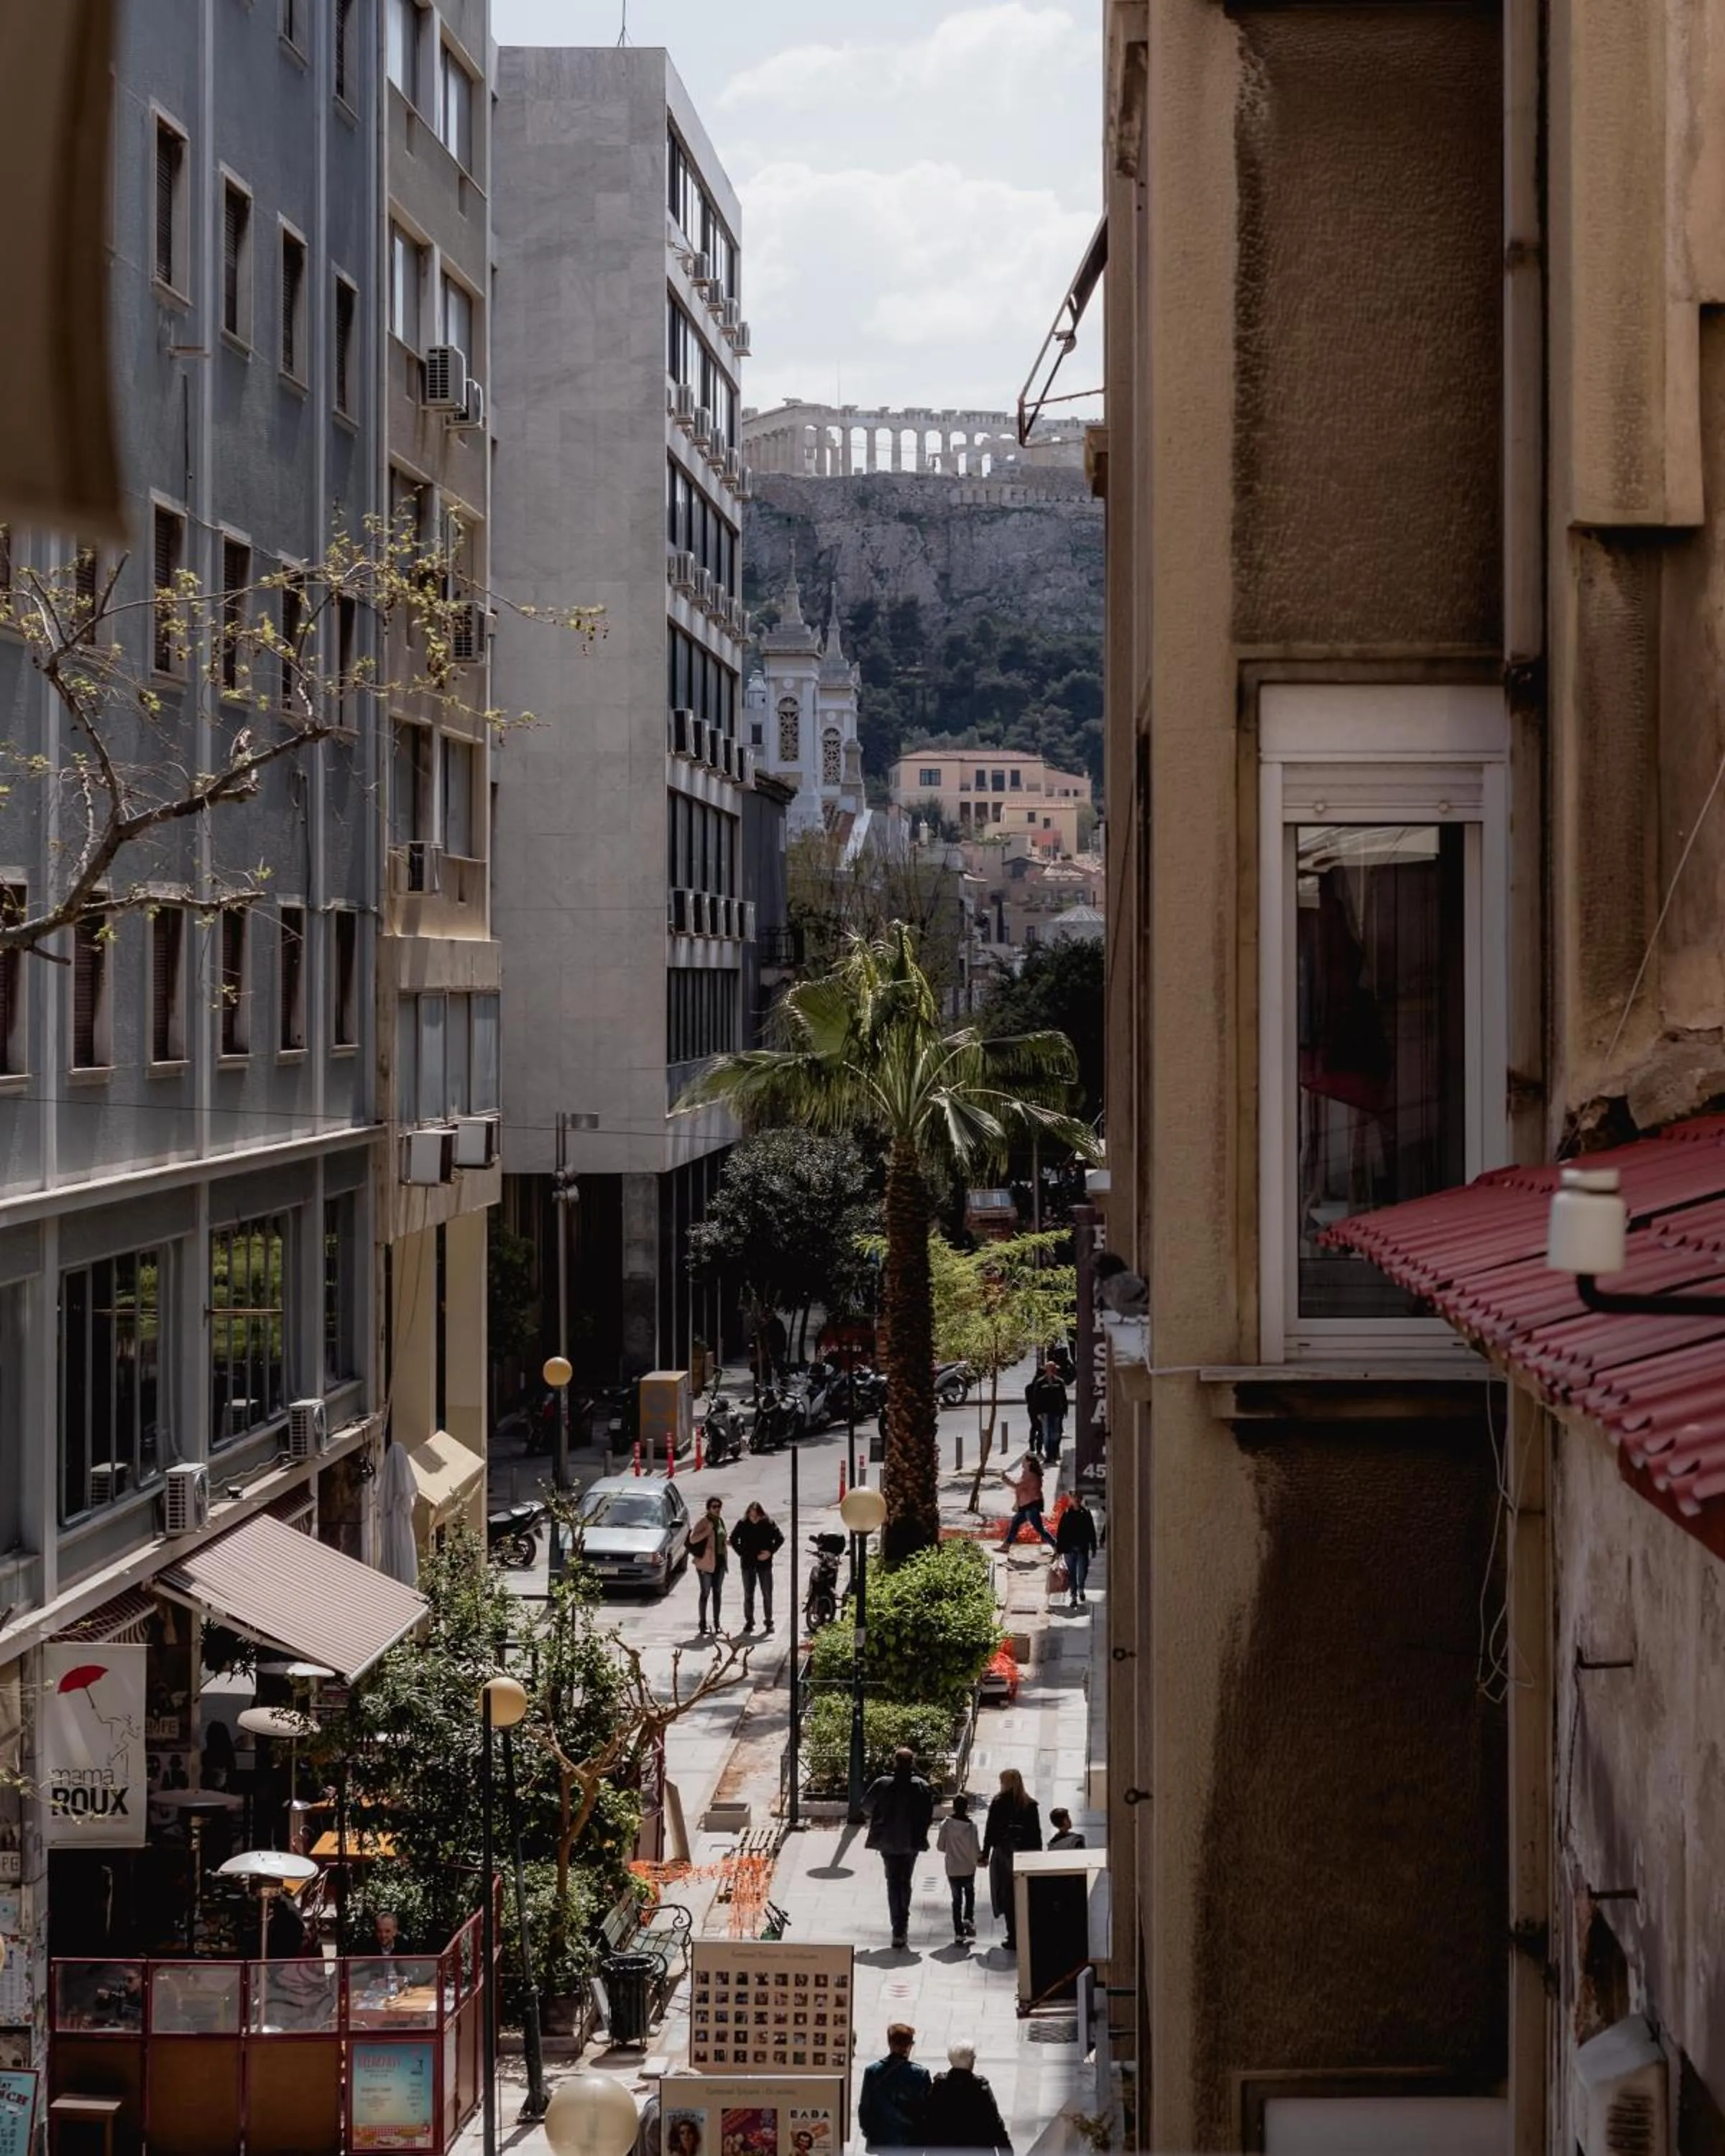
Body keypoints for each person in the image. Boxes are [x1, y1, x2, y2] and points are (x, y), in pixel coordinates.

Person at [862, 1745, 934, 1950]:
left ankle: (898, 1928)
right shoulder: (922, 1786)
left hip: (887, 1841)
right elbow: (928, 1815)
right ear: (912, 1763)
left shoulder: (882, 1784)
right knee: (905, 1880)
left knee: (893, 1883)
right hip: (911, 1842)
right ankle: (903, 1919)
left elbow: (866, 1806)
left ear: (895, 1762)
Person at [980, 1768, 1042, 1951]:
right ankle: (1025, 1933)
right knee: (1023, 1894)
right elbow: (1036, 1833)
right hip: (1025, 1855)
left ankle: (1012, 1935)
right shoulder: (1030, 1805)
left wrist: (985, 1853)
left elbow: (990, 1831)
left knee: (1006, 1895)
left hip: (1003, 1854)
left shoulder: (999, 1802)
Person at [923, 2042, 1013, 2152]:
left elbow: (927, 2120)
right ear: (971, 2061)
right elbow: (995, 2124)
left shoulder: (939, 2086)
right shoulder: (980, 2088)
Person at [857, 2022, 930, 2148]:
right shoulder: (920, 2074)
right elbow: (927, 2111)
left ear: (890, 2043)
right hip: (910, 2143)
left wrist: (870, 2132)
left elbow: (865, 2108)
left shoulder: (873, 2071)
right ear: (909, 2047)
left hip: (883, 2141)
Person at [729, 1501, 785, 1635]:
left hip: (764, 1565)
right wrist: (742, 1553)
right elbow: (733, 1539)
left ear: (761, 1515)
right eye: (751, 1516)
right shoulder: (743, 1524)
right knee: (748, 1594)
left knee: (767, 1594)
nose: (753, 1519)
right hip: (748, 1564)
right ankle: (749, 1621)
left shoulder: (768, 1524)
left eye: (756, 1516)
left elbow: (780, 1539)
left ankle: (769, 1622)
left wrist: (770, 1552)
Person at [937, 1790, 981, 1943]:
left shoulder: (946, 1825)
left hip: (953, 1868)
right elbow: (976, 1848)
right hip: (968, 1867)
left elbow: (940, 1846)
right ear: (967, 1807)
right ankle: (968, 1917)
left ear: (953, 1807)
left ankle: (958, 1933)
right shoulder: (972, 1827)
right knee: (970, 1893)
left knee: (956, 1901)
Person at [686, 1495, 729, 1635]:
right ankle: (702, 1624)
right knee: (705, 1593)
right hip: (706, 1564)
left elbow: (722, 1537)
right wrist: (707, 1531)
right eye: (714, 1507)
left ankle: (717, 1624)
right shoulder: (704, 1522)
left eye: (719, 1507)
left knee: (717, 1593)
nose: (717, 1509)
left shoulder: (720, 1521)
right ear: (708, 1508)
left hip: (720, 1562)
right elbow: (692, 1540)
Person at [1000, 1456, 1057, 1552]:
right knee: (1015, 1522)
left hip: (1032, 1505)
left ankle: (1055, 1546)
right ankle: (1006, 1545)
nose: (1022, 1462)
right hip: (1027, 1505)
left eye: (1024, 1461)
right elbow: (1020, 1487)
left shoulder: (1031, 1475)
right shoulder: (1027, 1474)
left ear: (1029, 1463)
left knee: (1039, 1528)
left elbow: (1018, 1486)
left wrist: (1005, 1479)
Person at [1054, 1499, 1098, 1609]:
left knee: (1083, 1571)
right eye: (1074, 1500)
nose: (1076, 1502)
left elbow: (1091, 1531)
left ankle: (1081, 1589)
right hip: (1069, 1549)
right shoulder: (1067, 1514)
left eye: (1078, 1500)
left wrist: (1093, 1547)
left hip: (1082, 1548)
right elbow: (1061, 1532)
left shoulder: (1086, 1513)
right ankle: (1074, 1597)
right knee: (1072, 1573)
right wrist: (1059, 1549)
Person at [1024, 1361, 1069, 1464]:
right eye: (1052, 1368)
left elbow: (1064, 1397)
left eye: (1055, 1369)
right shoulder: (1040, 1382)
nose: (1054, 1370)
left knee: (1057, 1434)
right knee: (1047, 1434)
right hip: (1045, 1412)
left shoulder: (1059, 1382)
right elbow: (1036, 1399)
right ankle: (1049, 1454)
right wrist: (1038, 1413)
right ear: (1047, 1370)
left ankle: (1054, 1452)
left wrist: (1065, 1410)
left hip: (1057, 1412)